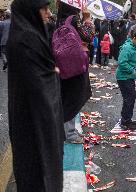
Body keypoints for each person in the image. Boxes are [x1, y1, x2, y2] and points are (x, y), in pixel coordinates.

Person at [7, 0, 65, 191]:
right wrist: (53, 74)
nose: (48, 13)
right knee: (38, 170)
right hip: (33, 120)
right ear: (31, 11)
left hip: (30, 115)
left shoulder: (29, 33)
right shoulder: (26, 38)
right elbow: (40, 84)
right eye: (44, 9)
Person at [57, 1, 92, 143]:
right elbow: (88, 36)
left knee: (65, 96)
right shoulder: (74, 19)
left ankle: (65, 130)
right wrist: (87, 19)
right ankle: (69, 134)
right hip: (74, 65)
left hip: (62, 64)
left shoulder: (59, 19)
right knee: (75, 97)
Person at [116, 30, 136, 130]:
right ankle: (125, 121)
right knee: (129, 98)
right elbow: (121, 62)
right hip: (123, 77)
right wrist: (132, 70)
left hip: (129, 77)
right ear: (134, 39)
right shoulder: (127, 47)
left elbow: (134, 60)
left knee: (131, 98)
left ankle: (127, 119)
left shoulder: (135, 47)